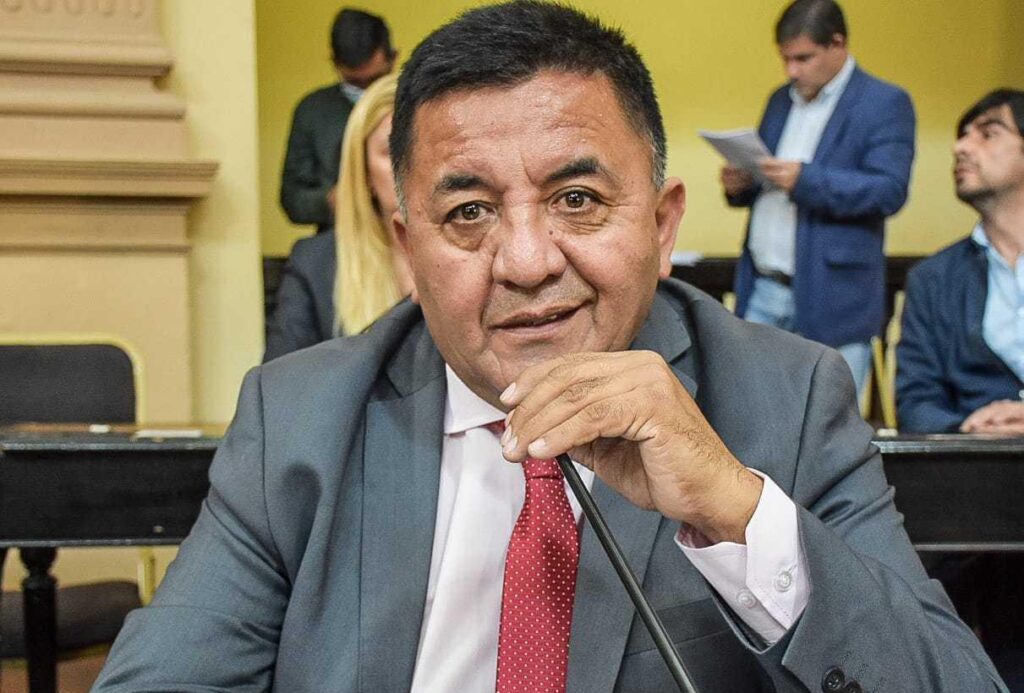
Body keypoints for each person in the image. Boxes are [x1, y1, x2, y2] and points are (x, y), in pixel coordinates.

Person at [95, 3, 1003, 691]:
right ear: (409, 249)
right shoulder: (298, 418)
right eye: (468, 212)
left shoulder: (787, 398)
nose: (526, 262)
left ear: (662, 224)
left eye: (577, 200)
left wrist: (736, 512)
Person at [722, 0, 915, 397]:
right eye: (785, 59)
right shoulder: (780, 100)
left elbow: (889, 190)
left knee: (829, 419)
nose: (792, 71)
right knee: (753, 412)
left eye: (803, 58)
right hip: (763, 286)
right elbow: (769, 179)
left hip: (834, 297)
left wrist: (806, 179)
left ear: (838, 44)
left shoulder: (884, 102)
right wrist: (743, 184)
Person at [897, 89, 1024, 434]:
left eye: (988, 133)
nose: (961, 148)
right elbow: (915, 402)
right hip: (976, 457)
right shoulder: (933, 278)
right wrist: (968, 430)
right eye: (963, 136)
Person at [265, 73, 412, 362]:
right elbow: (283, 382)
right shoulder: (316, 266)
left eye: (421, 148)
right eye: (391, 151)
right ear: (364, 172)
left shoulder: (486, 255)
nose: (411, 166)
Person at [279, 8, 395, 233]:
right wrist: (332, 200)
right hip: (337, 239)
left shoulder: (414, 104)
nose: (366, 92)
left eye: (375, 80)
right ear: (334, 63)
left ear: (394, 58)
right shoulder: (312, 110)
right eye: (354, 83)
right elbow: (292, 199)